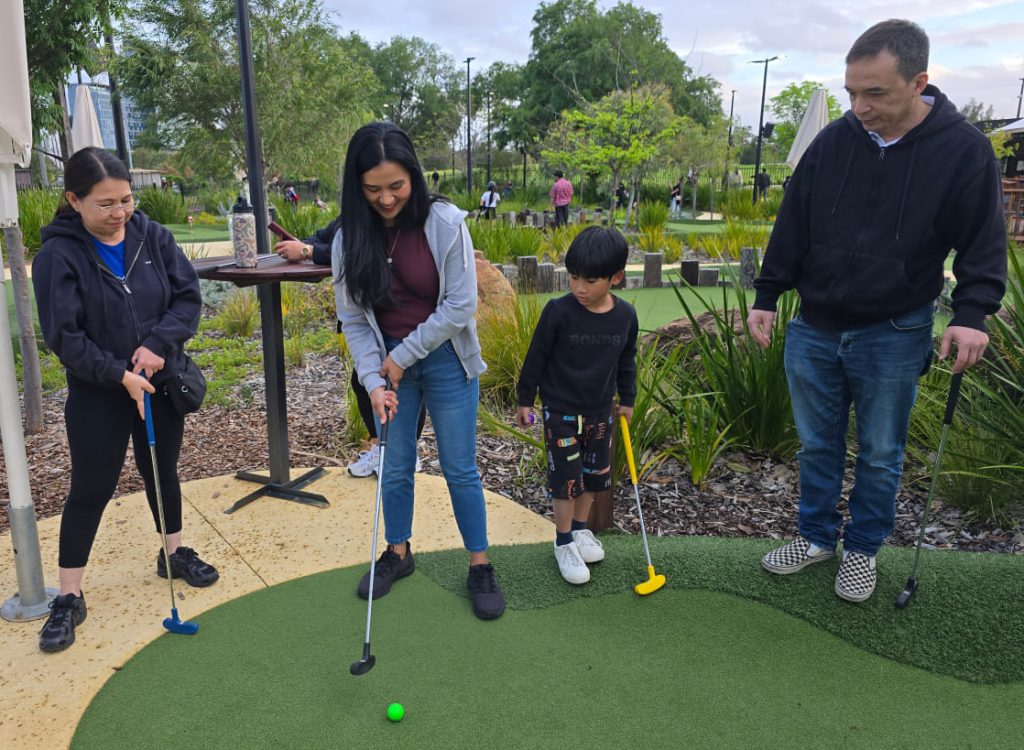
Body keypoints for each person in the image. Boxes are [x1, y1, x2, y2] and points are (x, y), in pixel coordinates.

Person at [747, 19, 1007, 603]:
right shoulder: (835, 140)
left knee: (882, 452)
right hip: (814, 325)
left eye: (876, 93)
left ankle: (862, 550)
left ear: (919, 83)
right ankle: (815, 537)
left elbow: (983, 242)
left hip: (894, 328)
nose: (859, 107)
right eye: (851, 93)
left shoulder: (964, 152)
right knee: (817, 444)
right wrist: (768, 294)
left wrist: (972, 312)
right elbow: (794, 223)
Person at [32, 147, 219, 653]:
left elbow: (187, 298)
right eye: (106, 204)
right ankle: (69, 595)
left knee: (163, 469)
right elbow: (64, 337)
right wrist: (118, 374)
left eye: (127, 200)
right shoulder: (58, 256)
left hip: (157, 378)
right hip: (99, 393)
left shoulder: (152, 237)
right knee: (91, 487)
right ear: (74, 200)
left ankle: (173, 554)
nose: (120, 213)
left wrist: (156, 347)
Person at [332, 122, 505, 619]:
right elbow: (354, 320)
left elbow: (459, 307)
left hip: (445, 359)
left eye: (396, 186)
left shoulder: (445, 222)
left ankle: (480, 563)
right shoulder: (350, 238)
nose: (386, 199)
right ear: (356, 186)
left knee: (459, 468)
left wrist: (400, 358)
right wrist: (373, 382)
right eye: (372, 189)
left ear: (413, 175)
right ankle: (399, 552)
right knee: (396, 464)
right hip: (386, 365)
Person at [515, 227, 638, 584]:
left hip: (600, 411)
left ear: (616, 277)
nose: (579, 288)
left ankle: (581, 530)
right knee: (565, 481)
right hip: (561, 412)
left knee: (593, 477)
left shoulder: (625, 316)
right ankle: (563, 541)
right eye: (573, 278)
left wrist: (627, 400)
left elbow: (627, 361)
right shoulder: (558, 312)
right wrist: (526, 399)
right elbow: (535, 358)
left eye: (590, 280)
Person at [273, 220, 427, 474]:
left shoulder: (390, 219)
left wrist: (306, 252)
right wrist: (301, 244)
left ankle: (405, 451)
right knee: (363, 381)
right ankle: (381, 447)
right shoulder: (350, 216)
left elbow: (358, 254)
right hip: (366, 318)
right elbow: (328, 239)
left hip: (392, 316)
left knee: (400, 386)